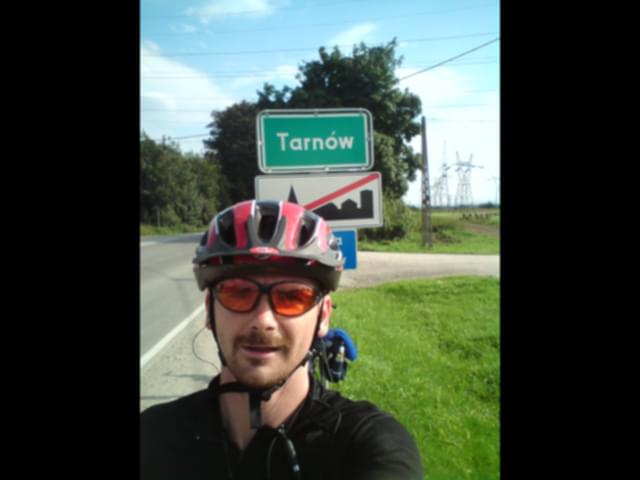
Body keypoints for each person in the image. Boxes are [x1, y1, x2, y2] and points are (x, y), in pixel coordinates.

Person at [140, 200, 424, 480]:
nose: (263, 320)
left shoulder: (367, 444)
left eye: (292, 296)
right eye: (238, 293)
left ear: (323, 316)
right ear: (209, 311)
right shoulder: (153, 436)